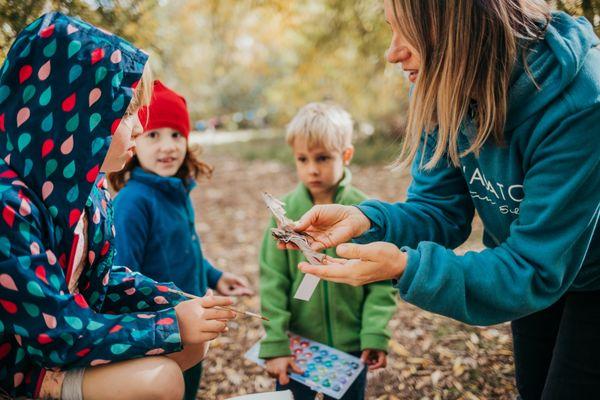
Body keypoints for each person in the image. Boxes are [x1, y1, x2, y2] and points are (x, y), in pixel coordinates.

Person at [288, 1, 600, 399]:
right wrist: (367, 221)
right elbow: (441, 211)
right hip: (528, 273)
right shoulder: (441, 82)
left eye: (409, 33)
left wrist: (406, 267)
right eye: (390, 30)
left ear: (461, 26)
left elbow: (532, 269)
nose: (392, 53)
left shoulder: (580, 101)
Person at [0, 12, 235, 400]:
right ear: (74, 116)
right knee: (161, 380)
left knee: (196, 342)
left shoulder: (92, 193)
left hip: (71, 337)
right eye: (126, 112)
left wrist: (180, 303)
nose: (139, 128)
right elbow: (53, 331)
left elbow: (104, 282)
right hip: (24, 365)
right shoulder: (10, 205)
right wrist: (169, 325)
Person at [109, 79, 253, 400]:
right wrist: (155, 328)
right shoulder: (133, 203)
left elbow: (185, 250)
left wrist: (216, 276)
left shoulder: (178, 191)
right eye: (153, 135)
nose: (168, 146)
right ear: (135, 141)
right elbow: (121, 277)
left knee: (189, 385)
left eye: (176, 135)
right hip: (160, 331)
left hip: (192, 324)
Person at [259, 103, 397, 400]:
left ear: (346, 155)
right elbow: (273, 283)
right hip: (298, 346)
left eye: (322, 158)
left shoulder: (365, 215)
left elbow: (380, 283)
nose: (312, 168)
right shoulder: (284, 217)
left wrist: (374, 333)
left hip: (351, 347)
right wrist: (275, 343)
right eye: (302, 158)